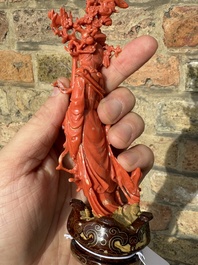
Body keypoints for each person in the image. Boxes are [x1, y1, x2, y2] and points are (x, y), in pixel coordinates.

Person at [0, 36, 157, 265]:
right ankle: (105, 200)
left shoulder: (91, 80)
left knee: (108, 166)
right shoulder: (81, 82)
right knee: (96, 170)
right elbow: (78, 103)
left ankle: (109, 202)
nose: (91, 60)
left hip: (93, 132)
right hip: (81, 132)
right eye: (87, 55)